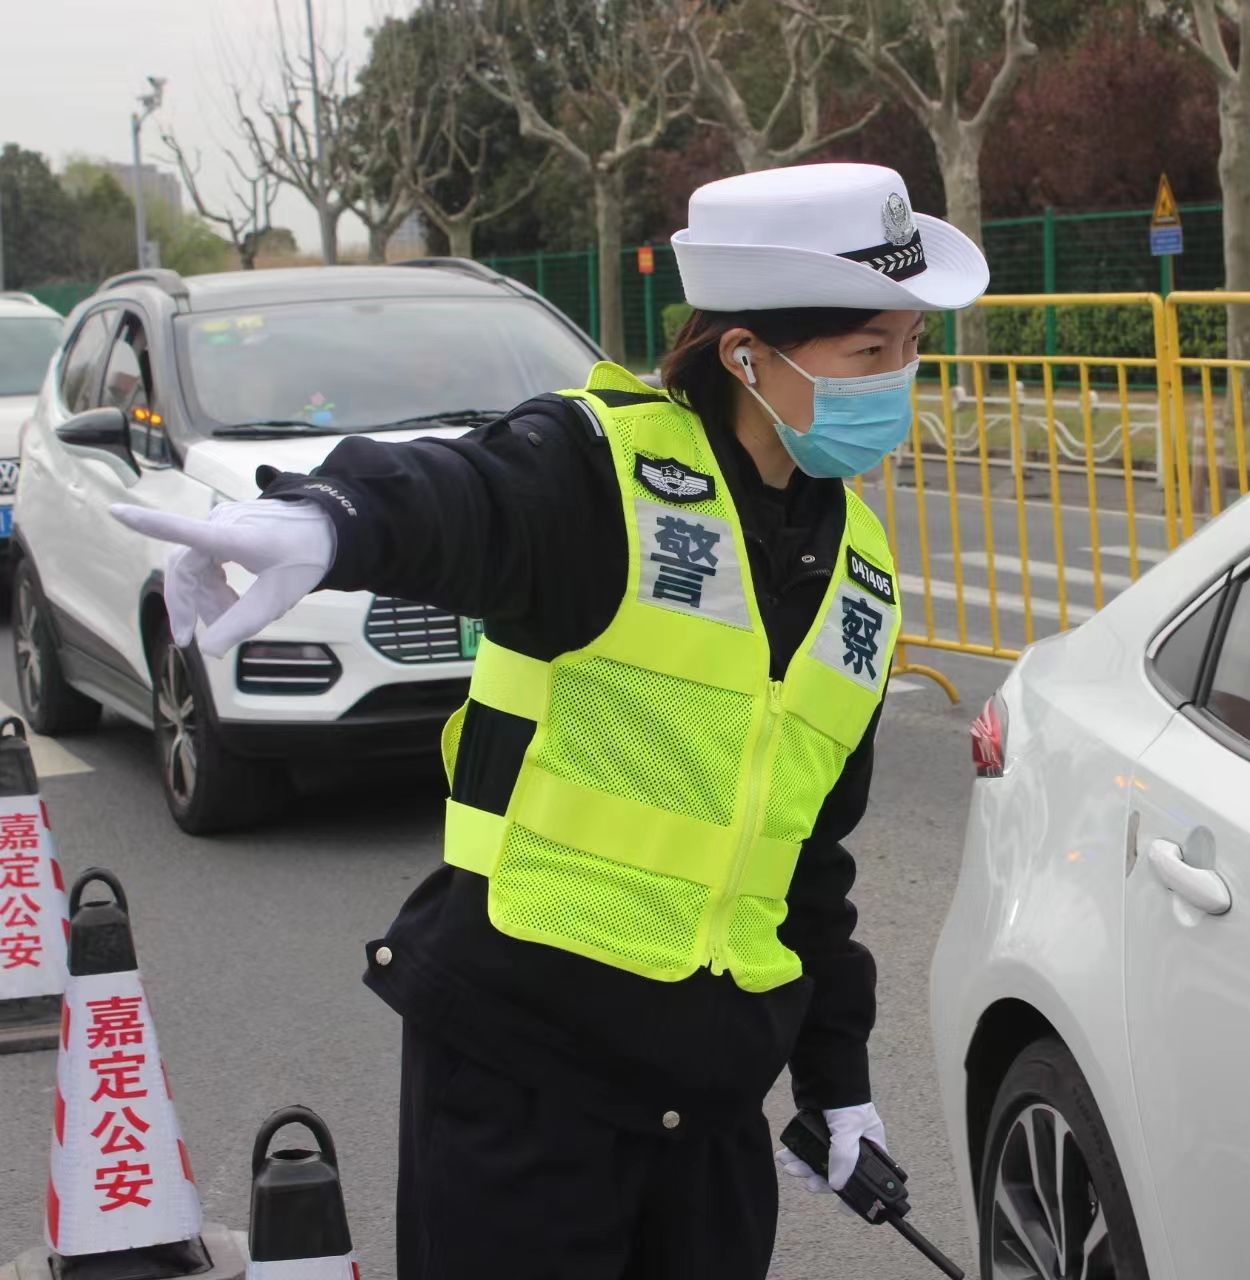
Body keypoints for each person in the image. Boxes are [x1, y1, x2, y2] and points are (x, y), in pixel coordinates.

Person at [112, 162, 989, 1279]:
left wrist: (838, 1080)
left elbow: (806, 864)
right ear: (746, 354)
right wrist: (330, 518)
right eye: (871, 353)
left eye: (912, 348)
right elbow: (464, 496)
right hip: (529, 1082)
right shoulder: (601, 472)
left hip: (708, 1106)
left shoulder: (856, 570)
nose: (900, 380)